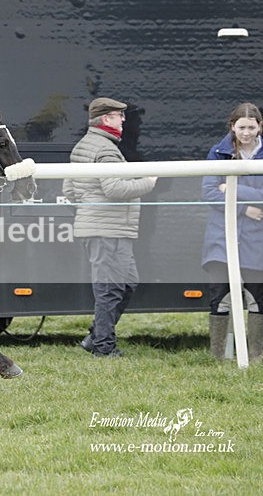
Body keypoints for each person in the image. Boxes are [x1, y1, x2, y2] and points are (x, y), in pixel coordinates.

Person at [63, 97, 157, 357]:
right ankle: (104, 347)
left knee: (126, 283)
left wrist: (88, 210)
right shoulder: (106, 150)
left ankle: (96, 337)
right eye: (119, 115)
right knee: (111, 289)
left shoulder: (83, 146)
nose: (124, 120)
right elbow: (115, 189)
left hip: (100, 229)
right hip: (109, 231)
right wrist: (149, 182)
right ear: (106, 119)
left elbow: (69, 190)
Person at [200, 103, 263, 361]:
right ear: (232, 126)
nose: (246, 133)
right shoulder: (218, 152)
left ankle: (255, 355)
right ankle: (218, 357)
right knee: (219, 296)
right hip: (221, 236)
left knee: (256, 296)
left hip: (255, 238)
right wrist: (245, 209)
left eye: (251, 127)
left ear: (260, 127)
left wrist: (230, 188)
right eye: (241, 127)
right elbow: (209, 193)